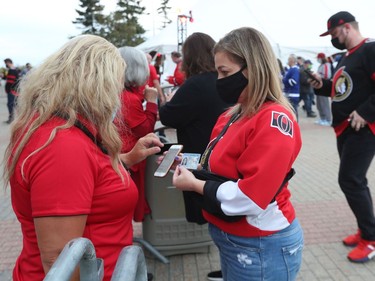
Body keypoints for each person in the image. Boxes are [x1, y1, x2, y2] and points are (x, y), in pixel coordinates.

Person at [2, 34, 164, 281]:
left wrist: (127, 159)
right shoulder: (61, 145)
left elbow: (89, 179)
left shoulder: (67, 127)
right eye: (116, 86)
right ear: (98, 85)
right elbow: (61, 259)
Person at [172, 27, 304, 280]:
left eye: (225, 72)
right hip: (232, 236)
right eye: (217, 72)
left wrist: (196, 185)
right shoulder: (233, 114)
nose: (219, 80)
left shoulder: (273, 119)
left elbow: (251, 198)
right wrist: (187, 165)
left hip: (260, 242)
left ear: (252, 69)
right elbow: (218, 166)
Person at [158, 32, 231, 281]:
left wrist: (165, 101)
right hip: (224, 157)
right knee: (225, 211)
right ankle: (230, 266)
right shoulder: (224, 81)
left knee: (215, 214)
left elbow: (169, 117)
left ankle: (230, 270)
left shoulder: (195, 84)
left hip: (199, 157)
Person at [311, 11, 375, 263]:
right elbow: (342, 88)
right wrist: (322, 84)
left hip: (363, 128)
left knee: (350, 180)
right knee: (355, 181)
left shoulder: (370, 50)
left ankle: (370, 240)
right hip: (345, 128)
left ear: (346, 28)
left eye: (334, 34)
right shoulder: (346, 57)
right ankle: (365, 228)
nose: (333, 39)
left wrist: (366, 112)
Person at [117, 46, 159, 222]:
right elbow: (145, 129)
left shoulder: (122, 93)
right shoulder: (129, 98)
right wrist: (151, 102)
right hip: (129, 157)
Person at [315, 52, 332, 126]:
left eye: (318, 58)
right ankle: (322, 118)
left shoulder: (326, 65)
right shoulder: (321, 65)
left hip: (324, 85)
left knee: (324, 103)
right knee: (319, 104)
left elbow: (327, 75)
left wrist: (319, 76)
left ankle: (328, 119)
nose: (318, 60)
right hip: (319, 85)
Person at [282, 54, 300, 121]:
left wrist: (284, 80)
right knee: (291, 111)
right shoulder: (292, 69)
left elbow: (293, 81)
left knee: (293, 111)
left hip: (292, 94)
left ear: (292, 61)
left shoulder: (294, 69)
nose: (288, 61)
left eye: (288, 60)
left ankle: (295, 124)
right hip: (290, 93)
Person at [2, 58, 19, 124]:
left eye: (6, 63)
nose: (6, 65)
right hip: (14, 90)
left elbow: (10, 81)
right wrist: (4, 77)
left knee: (10, 104)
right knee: (15, 104)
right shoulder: (14, 70)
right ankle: (16, 118)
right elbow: (9, 79)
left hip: (12, 90)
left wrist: (8, 89)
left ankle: (11, 118)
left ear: (8, 63)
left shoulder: (12, 70)